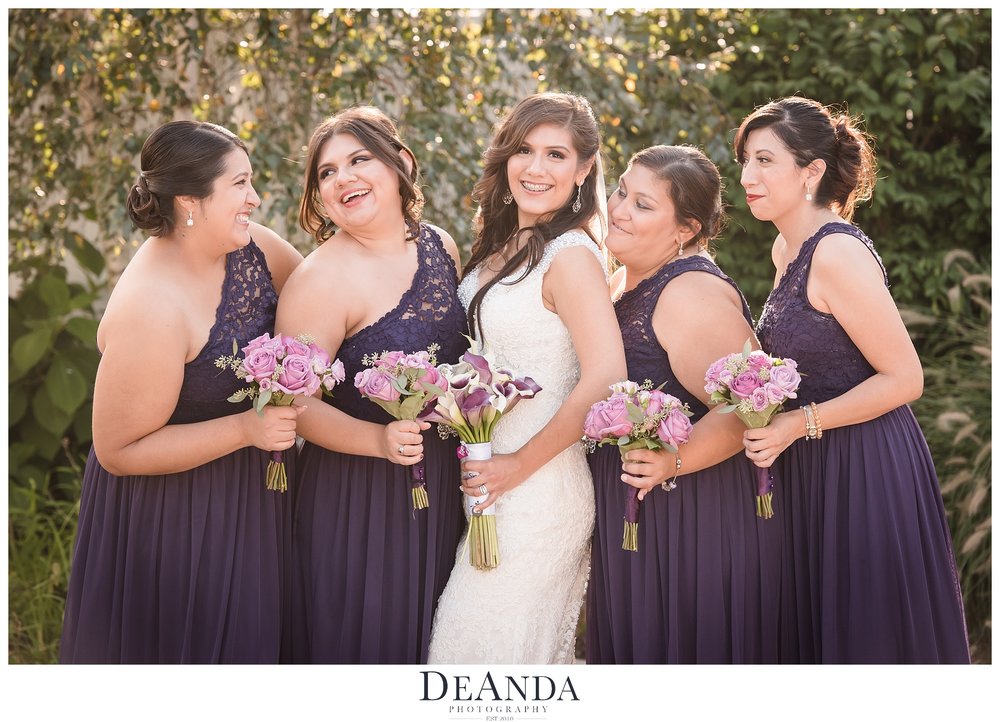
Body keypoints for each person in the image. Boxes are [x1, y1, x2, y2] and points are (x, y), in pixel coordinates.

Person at [59, 120, 304, 663]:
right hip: (175, 517)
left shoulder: (254, 248)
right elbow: (118, 451)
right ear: (191, 202)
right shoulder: (152, 307)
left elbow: (318, 302)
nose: (255, 198)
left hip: (253, 491)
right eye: (240, 185)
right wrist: (246, 428)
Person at [736, 96, 970, 663]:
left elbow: (905, 377)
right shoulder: (785, 247)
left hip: (864, 466)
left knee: (868, 640)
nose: (747, 176)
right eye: (744, 159)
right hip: (811, 464)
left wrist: (799, 422)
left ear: (811, 171)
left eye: (766, 160)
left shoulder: (836, 251)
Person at [427, 92, 626, 664]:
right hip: (488, 489)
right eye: (524, 150)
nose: (536, 168)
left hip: (540, 492)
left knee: (470, 654)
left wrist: (518, 465)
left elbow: (607, 374)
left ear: (584, 169)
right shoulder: (498, 245)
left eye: (556, 155)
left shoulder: (571, 257)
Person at [276, 106, 467, 663]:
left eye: (359, 160)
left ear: (401, 163)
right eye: (327, 172)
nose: (343, 179)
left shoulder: (440, 245)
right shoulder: (321, 279)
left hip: (441, 485)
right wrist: (376, 441)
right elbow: (292, 405)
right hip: (356, 496)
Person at [586, 145, 782, 663]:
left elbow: (750, 408)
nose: (620, 208)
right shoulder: (624, 277)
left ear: (686, 229)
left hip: (689, 516)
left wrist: (672, 460)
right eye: (622, 192)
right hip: (636, 509)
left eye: (643, 205)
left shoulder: (689, 291)